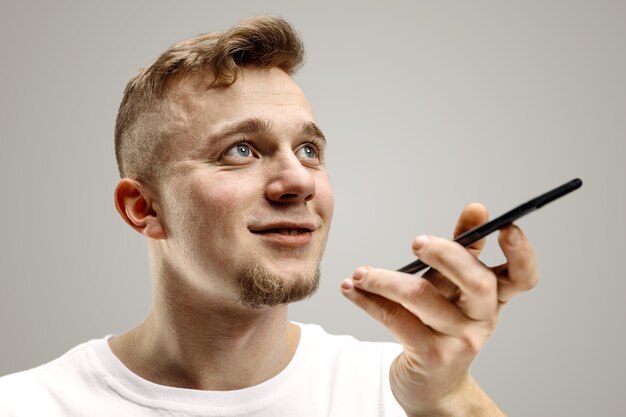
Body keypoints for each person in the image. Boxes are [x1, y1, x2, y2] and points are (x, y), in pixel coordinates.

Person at [0, 16, 538, 416]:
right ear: (143, 208)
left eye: (309, 150)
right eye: (241, 150)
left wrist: (450, 398)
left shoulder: (404, 390)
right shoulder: (28, 405)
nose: (299, 181)